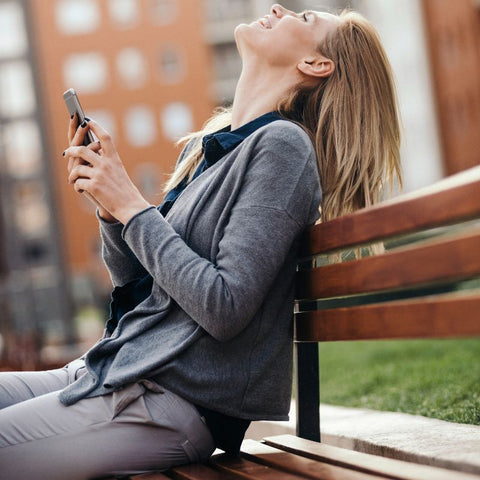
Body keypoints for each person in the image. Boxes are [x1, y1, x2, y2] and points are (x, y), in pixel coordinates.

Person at [0, 4, 401, 479]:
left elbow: (225, 305)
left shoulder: (283, 149)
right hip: (114, 372)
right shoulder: (207, 149)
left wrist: (131, 205)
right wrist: (111, 211)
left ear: (314, 64)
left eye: (304, 17)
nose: (277, 8)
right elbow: (145, 289)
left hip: (170, 402)